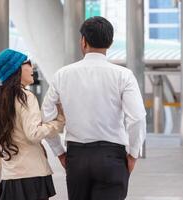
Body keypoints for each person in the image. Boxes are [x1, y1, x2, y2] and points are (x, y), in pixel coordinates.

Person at [43, 16, 146, 200]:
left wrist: (59, 152)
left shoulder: (62, 75)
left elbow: (47, 115)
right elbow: (137, 118)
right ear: (110, 42)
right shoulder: (124, 75)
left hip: (76, 156)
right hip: (112, 156)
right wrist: (133, 155)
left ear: (83, 41)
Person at [0, 48, 65, 200]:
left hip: (10, 178)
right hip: (34, 177)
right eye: (28, 63)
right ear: (16, 69)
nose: (32, 67)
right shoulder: (26, 97)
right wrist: (59, 122)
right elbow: (34, 134)